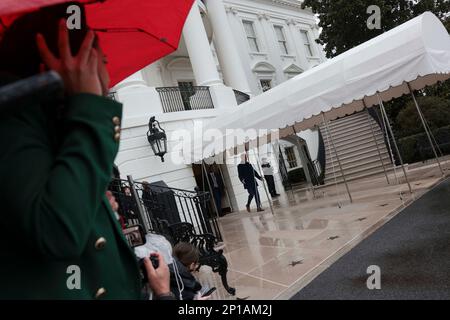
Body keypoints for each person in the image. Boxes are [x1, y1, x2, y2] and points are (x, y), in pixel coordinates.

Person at [0, 3, 172, 299]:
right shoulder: (11, 123)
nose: (105, 76)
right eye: (98, 61)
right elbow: (57, 231)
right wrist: (91, 109)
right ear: (54, 62)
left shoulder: (55, 126)